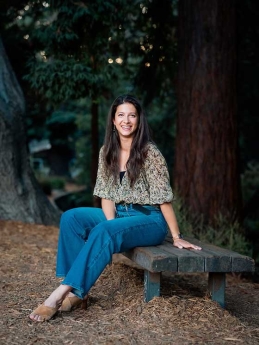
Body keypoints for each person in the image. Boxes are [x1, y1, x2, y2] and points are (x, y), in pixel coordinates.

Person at [29, 95, 201, 322]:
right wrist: (112, 226)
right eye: (121, 115)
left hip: (149, 219)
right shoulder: (106, 151)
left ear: (139, 120)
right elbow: (106, 195)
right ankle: (78, 294)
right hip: (120, 214)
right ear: (113, 119)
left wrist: (176, 236)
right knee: (71, 218)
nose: (126, 120)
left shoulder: (151, 153)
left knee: (104, 231)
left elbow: (163, 199)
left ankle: (59, 294)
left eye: (132, 115)